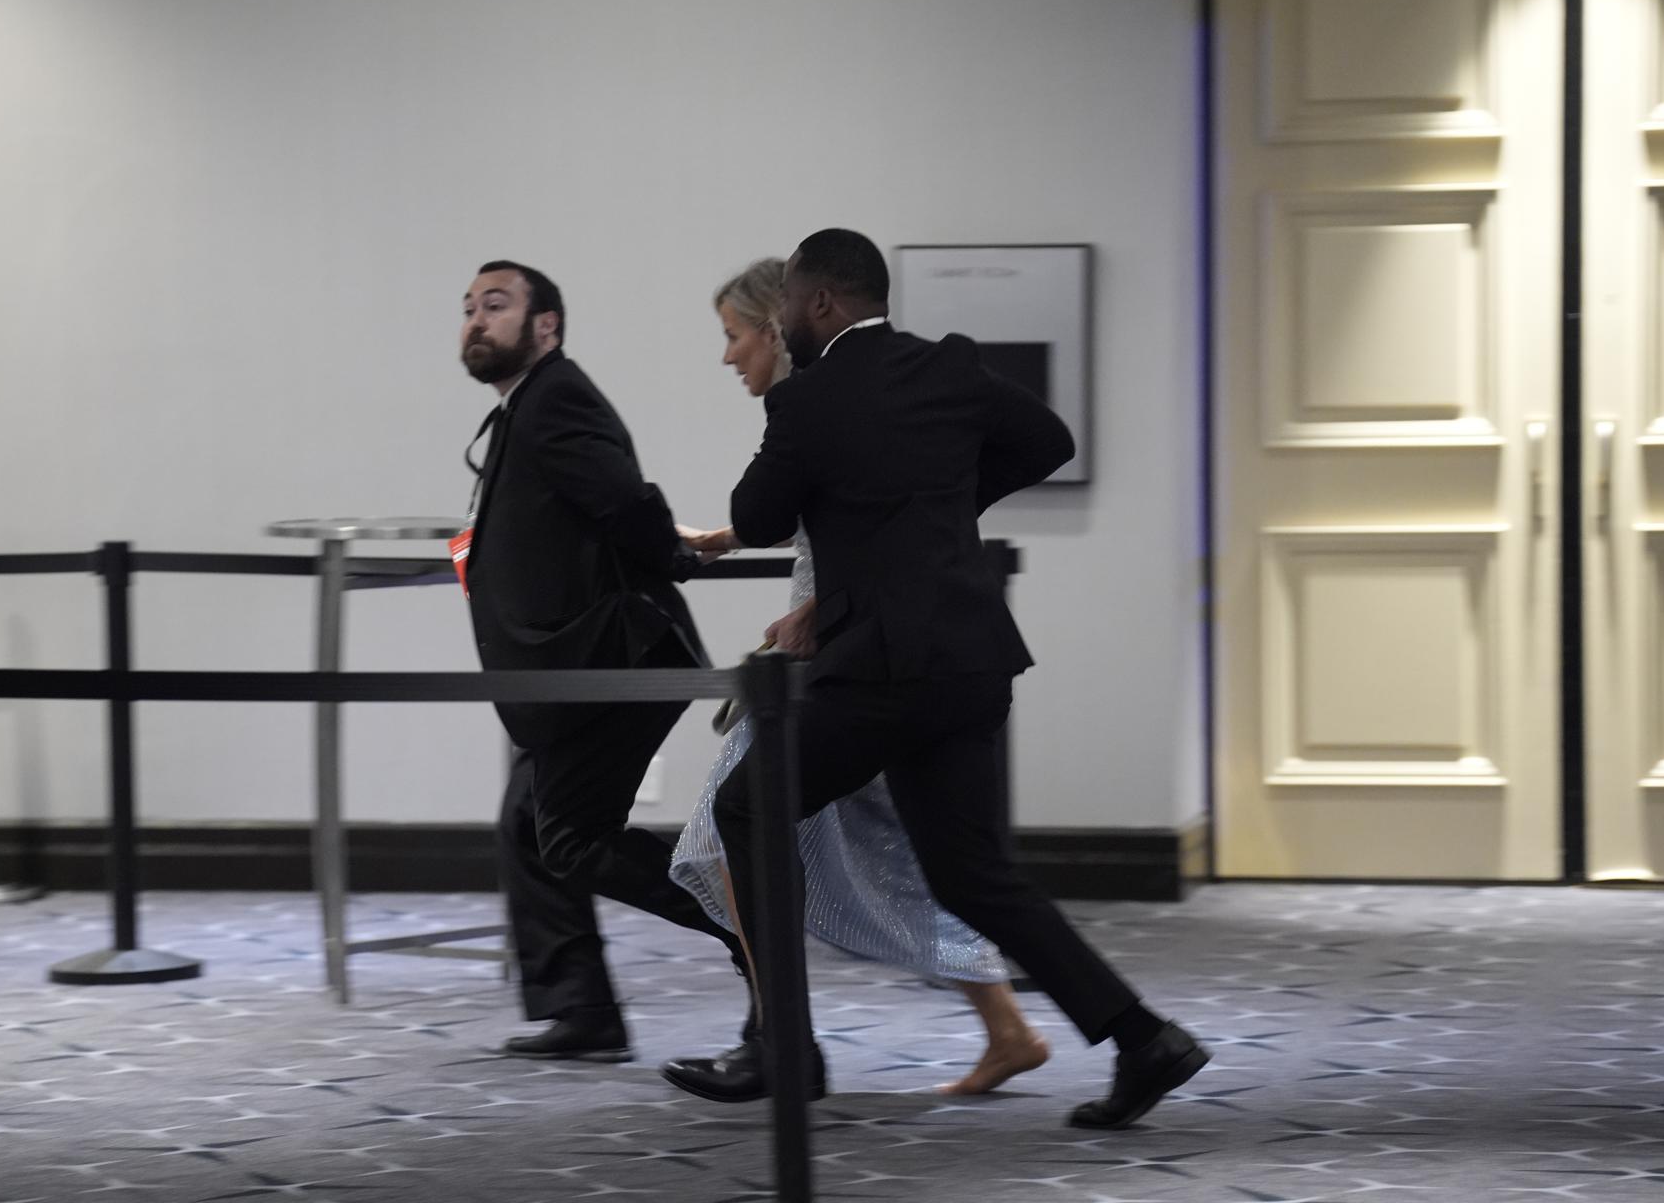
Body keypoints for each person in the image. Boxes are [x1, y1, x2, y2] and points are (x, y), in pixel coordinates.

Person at [660, 231, 1210, 1130]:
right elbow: (1048, 440)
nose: (784, 320)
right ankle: (1146, 1040)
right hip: (972, 659)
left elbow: (756, 516)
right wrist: (945, 504)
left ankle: (785, 1045)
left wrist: (865, 501)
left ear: (821, 302)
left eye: (789, 302)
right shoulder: (947, 365)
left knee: (746, 809)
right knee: (973, 876)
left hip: (881, 673)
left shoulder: (810, 397)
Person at [671, 258, 1049, 1096]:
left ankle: (780, 1044)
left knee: (730, 835)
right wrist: (732, 541)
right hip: (867, 652)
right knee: (899, 857)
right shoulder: (846, 398)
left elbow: (852, 522)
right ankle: (1001, 1028)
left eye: (734, 336)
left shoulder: (816, 401)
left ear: (777, 327)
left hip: (855, 662)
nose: (728, 356)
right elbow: (836, 518)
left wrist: (821, 606)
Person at [458, 259, 749, 1063]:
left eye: (495, 306)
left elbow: (623, 499)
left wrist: (674, 554)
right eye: (469, 308)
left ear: (545, 325)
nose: (476, 321)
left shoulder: (557, 397)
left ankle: (749, 920)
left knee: (571, 837)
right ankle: (583, 1009)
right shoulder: (525, 407)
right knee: (531, 826)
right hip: (577, 665)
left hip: (615, 659)